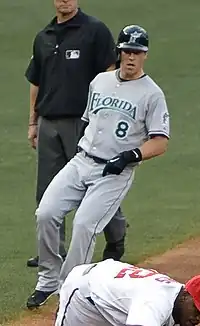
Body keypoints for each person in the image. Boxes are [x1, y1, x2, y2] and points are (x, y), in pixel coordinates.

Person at [26, 23, 170, 309]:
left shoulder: (152, 94)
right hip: (81, 161)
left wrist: (131, 156)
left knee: (84, 226)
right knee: (46, 213)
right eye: (127, 51)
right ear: (119, 51)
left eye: (137, 53)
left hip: (114, 173)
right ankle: (48, 280)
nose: (131, 57)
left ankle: (70, 290)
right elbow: (89, 119)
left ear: (145, 55)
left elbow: (160, 141)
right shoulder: (99, 82)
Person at [25, 0, 127, 269]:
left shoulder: (94, 31)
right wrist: (33, 123)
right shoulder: (43, 37)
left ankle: (116, 238)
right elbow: (36, 82)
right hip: (49, 123)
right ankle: (51, 252)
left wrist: (105, 117)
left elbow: (110, 75)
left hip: (84, 124)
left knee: (99, 183)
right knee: (47, 190)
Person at [55, 259, 200, 326]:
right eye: (196, 310)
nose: (197, 319)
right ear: (185, 296)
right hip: (84, 290)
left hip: (112, 285)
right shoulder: (154, 303)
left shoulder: (178, 296)